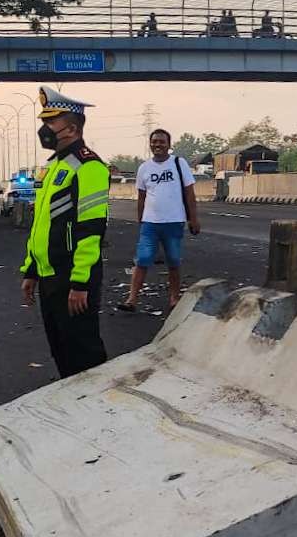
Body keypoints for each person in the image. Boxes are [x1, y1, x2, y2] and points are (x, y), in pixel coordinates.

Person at [21, 85, 111, 377]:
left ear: (71, 129)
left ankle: (96, 413)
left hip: (72, 278)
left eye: (51, 122)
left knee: (84, 356)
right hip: (49, 277)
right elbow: (42, 225)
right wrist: (31, 270)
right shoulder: (52, 168)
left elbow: (92, 227)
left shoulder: (89, 167)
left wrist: (80, 282)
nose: (44, 129)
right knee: (61, 352)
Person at [117, 129, 201, 311]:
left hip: (174, 222)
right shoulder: (144, 168)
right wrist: (140, 220)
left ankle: (174, 297)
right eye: (154, 141)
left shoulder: (179, 164)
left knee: (173, 260)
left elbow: (190, 193)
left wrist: (193, 218)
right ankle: (131, 299)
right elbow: (141, 196)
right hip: (150, 224)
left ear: (169, 145)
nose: (158, 145)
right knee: (142, 259)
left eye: (162, 142)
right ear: (150, 144)